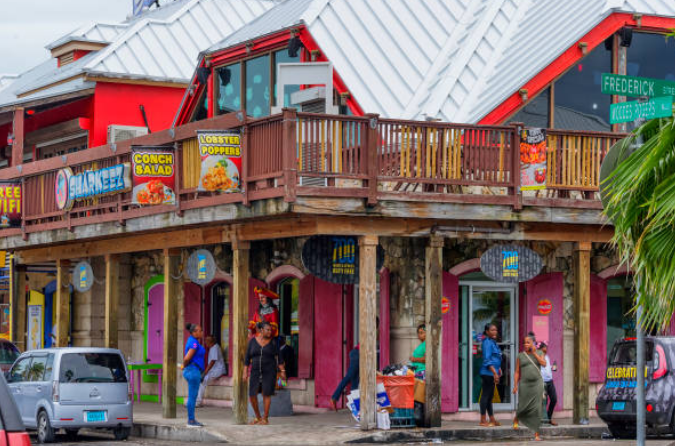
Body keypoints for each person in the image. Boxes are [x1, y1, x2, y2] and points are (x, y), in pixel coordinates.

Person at [329, 317, 380, 411]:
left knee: (355, 382)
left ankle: (356, 407)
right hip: (358, 354)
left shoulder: (369, 331)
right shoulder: (370, 332)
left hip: (357, 354)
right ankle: (334, 398)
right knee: (349, 377)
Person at [245, 321, 285, 425]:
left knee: (266, 394)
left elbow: (279, 358)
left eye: (270, 330)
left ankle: (265, 418)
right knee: (252, 395)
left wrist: (282, 371)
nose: (270, 332)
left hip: (269, 371)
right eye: (267, 330)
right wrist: (245, 372)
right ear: (261, 330)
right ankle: (258, 417)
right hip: (255, 371)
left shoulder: (273, 342)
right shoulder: (252, 342)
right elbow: (247, 358)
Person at [512, 333, 547, 441]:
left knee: (537, 409)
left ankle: (536, 434)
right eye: (524, 342)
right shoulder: (520, 356)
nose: (525, 344)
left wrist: (534, 353)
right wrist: (515, 385)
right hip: (524, 384)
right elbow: (517, 372)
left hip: (537, 384)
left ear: (533, 343)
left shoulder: (540, 352)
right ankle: (516, 418)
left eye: (528, 342)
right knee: (522, 405)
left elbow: (544, 363)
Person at [182, 323, 206, 427]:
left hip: (193, 370)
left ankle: (191, 420)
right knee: (192, 397)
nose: (201, 332)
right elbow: (187, 358)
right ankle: (191, 420)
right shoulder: (194, 343)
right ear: (194, 332)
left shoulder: (192, 341)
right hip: (193, 370)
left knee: (193, 396)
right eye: (200, 331)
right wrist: (184, 366)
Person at [479, 323, 502, 427]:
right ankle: (483, 420)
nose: (494, 332)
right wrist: (494, 372)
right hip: (488, 373)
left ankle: (492, 419)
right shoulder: (487, 342)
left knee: (489, 396)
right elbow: (487, 360)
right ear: (487, 332)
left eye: (495, 330)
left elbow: (496, 357)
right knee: (485, 396)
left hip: (492, 372)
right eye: (492, 330)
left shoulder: (493, 342)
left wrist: (499, 369)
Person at [196, 335, 226, 406]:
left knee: (203, 380)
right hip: (214, 371)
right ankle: (197, 401)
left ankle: (198, 402)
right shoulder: (212, 348)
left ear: (210, 341)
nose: (205, 342)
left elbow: (212, 361)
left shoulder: (215, 347)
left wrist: (205, 372)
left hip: (218, 370)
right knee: (201, 380)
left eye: (206, 340)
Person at [539, 342, 558, 425]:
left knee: (554, 399)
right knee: (543, 402)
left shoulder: (547, 357)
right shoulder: (538, 357)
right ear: (540, 349)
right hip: (542, 382)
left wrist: (552, 367)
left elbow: (546, 368)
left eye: (546, 348)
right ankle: (542, 420)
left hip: (550, 381)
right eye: (544, 348)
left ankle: (549, 418)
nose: (546, 349)